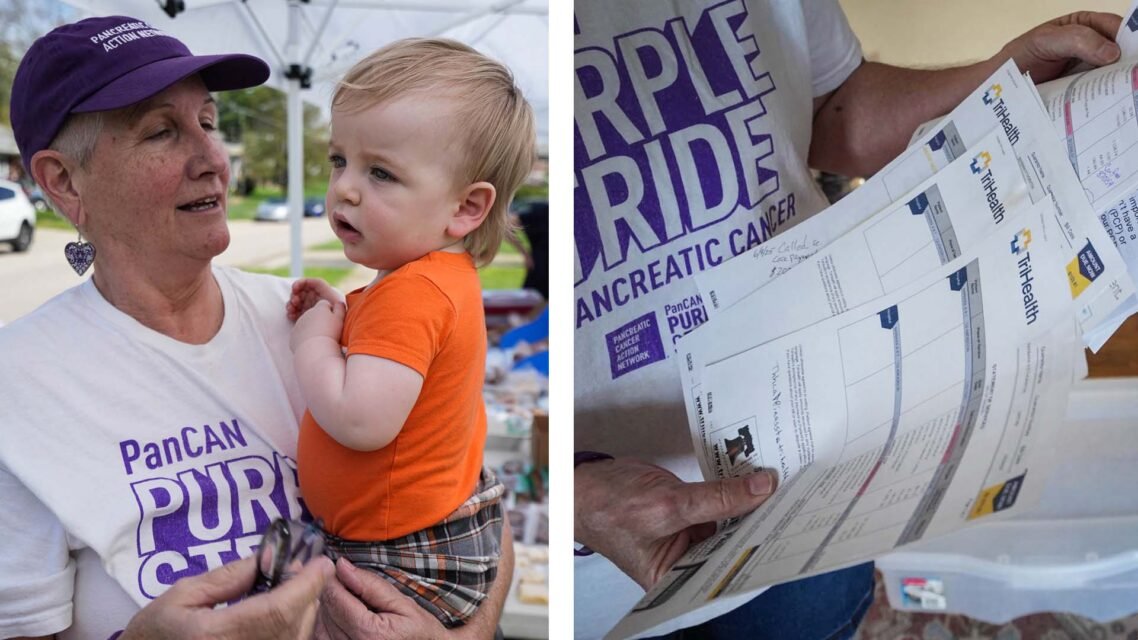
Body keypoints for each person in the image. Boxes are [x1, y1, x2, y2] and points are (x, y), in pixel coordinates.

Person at [572, 2, 1125, 638]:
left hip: (822, 487)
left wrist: (1000, 81)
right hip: (592, 585)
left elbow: (834, 111)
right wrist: (575, 494)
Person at [0, 16, 509, 640]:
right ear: (63, 181)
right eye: (162, 132)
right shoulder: (17, 388)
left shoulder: (308, 314)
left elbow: (472, 498)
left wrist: (468, 633)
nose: (213, 159)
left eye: (209, 123)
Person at [284, 38, 535, 628]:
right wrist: (341, 319)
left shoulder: (414, 292)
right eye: (339, 160)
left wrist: (312, 342)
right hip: (417, 535)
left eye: (381, 173)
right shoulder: (437, 279)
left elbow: (360, 420)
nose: (345, 187)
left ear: (466, 208)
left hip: (400, 557)